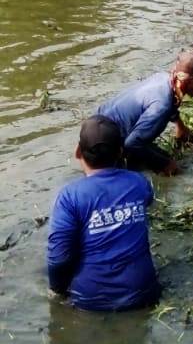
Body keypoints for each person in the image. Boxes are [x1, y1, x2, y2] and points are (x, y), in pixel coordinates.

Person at [47, 115, 160, 312]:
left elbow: (59, 259)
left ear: (78, 152)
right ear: (120, 152)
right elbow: (146, 201)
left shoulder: (69, 196)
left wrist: (57, 290)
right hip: (145, 294)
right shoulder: (139, 182)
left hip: (90, 303)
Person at [97, 49, 193, 175]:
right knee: (167, 169)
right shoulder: (161, 106)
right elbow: (132, 144)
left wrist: (180, 126)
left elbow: (172, 102)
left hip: (97, 126)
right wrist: (164, 164)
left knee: (165, 158)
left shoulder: (163, 78)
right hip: (103, 145)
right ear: (190, 80)